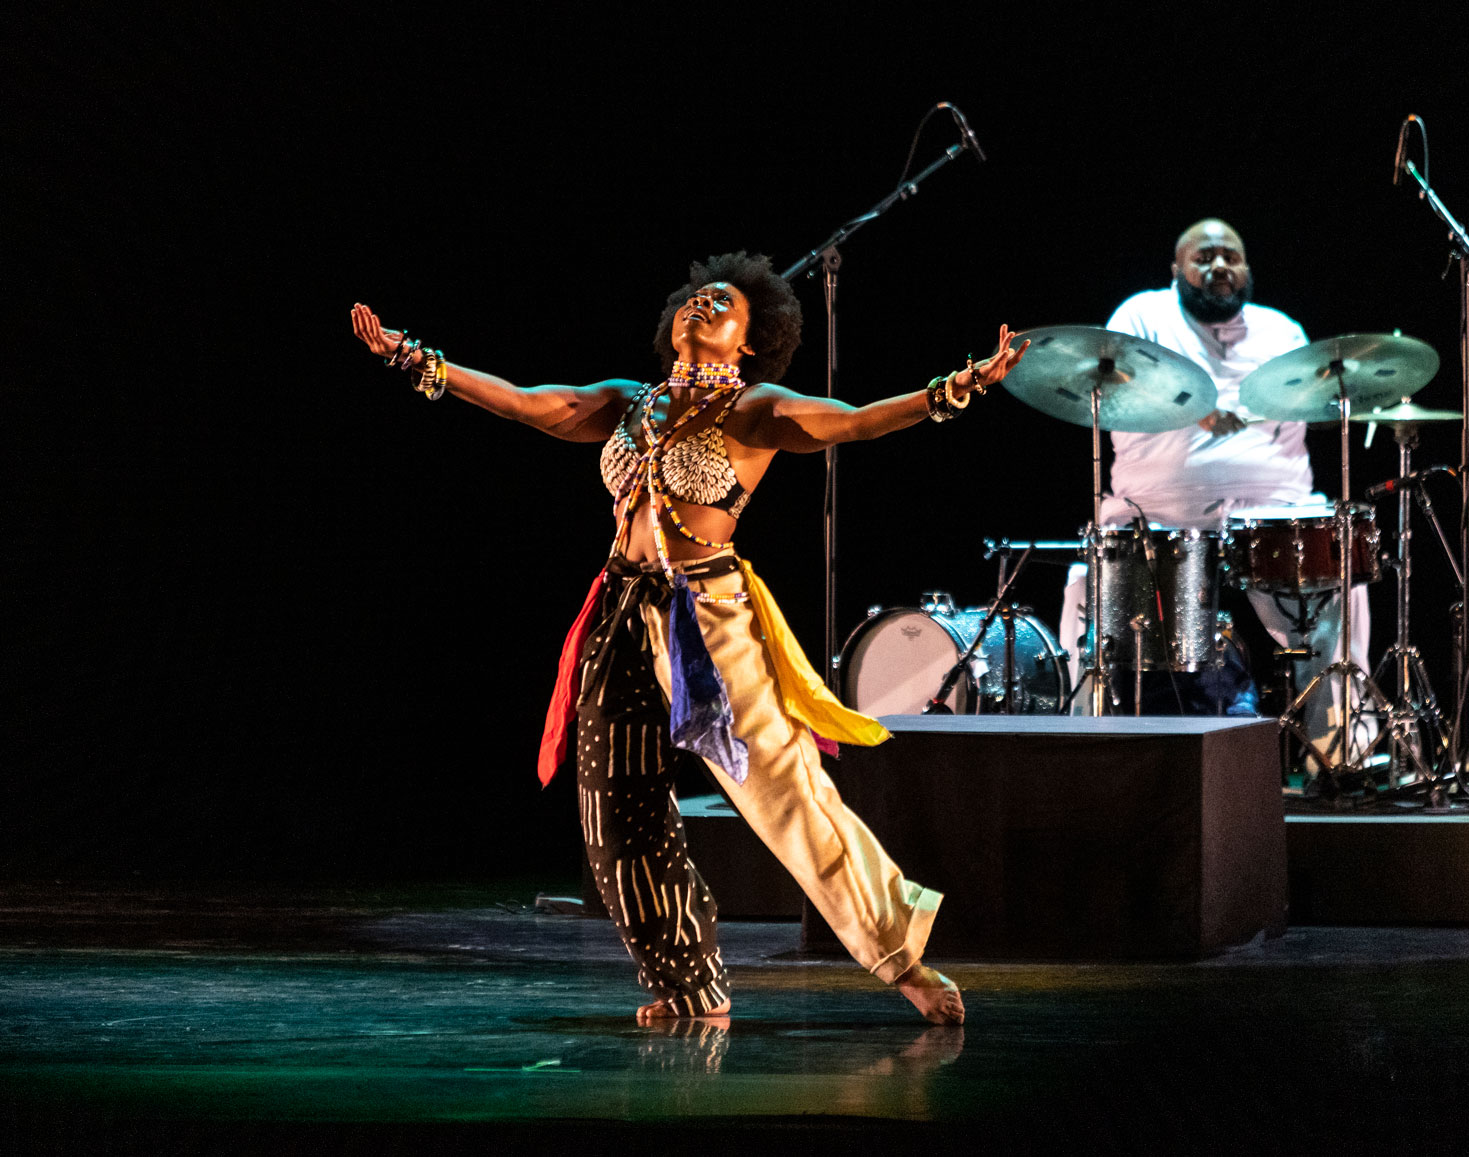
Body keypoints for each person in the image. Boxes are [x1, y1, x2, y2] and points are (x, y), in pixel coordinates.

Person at [350, 252, 1028, 1026]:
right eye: (695, 296)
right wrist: (421, 361)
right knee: (615, 808)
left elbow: (854, 419)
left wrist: (953, 389)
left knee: (787, 795)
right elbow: (530, 403)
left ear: (751, 340)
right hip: (620, 612)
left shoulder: (756, 409)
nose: (701, 304)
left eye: (722, 302)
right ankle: (689, 982)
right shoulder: (631, 402)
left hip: (709, 620)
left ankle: (901, 958)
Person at [1059, 219, 1371, 748]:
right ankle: (1088, 743)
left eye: (1231, 256)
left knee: (1341, 570)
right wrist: (1194, 406)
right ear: (1176, 269)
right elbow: (1116, 383)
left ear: (1247, 267)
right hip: (1159, 512)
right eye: (1203, 258)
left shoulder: (1282, 331)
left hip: (1274, 512)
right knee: (1084, 585)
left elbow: (1315, 404)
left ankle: (1341, 752)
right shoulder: (1142, 315)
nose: (1219, 266)